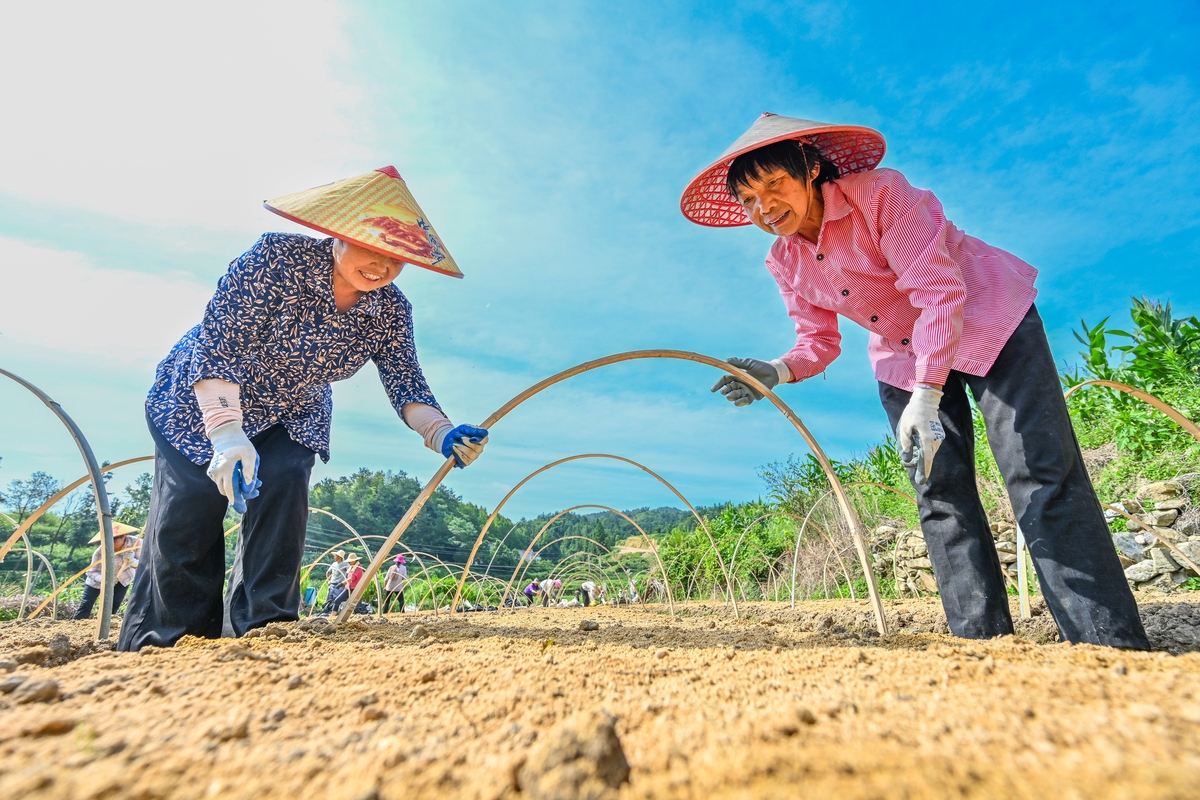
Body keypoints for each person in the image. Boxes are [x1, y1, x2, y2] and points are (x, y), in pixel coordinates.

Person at [684, 113, 1148, 649]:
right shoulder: (784, 259)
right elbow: (818, 339)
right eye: (747, 198)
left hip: (987, 321)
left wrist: (927, 397)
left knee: (1038, 472)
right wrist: (779, 370)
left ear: (810, 169)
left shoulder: (881, 195)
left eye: (773, 184)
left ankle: (1106, 644)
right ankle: (981, 645)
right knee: (937, 491)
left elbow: (938, 293)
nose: (763, 207)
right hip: (901, 355)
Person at [118, 167, 490, 651]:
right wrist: (227, 434)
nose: (381, 267)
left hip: (294, 411)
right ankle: (167, 639)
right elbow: (221, 346)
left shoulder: (392, 310)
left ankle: (266, 628)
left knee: (285, 489)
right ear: (336, 235)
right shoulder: (275, 259)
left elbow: (405, 382)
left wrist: (441, 433)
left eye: (396, 259)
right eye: (370, 249)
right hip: (203, 399)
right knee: (190, 512)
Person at [74, 522, 141, 619]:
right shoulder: (100, 551)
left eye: (116, 543)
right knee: (86, 604)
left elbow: (144, 564)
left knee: (113, 606)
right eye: (110, 544)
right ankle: (77, 625)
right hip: (97, 581)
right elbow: (91, 572)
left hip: (123, 579)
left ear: (124, 536)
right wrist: (105, 580)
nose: (114, 547)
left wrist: (132, 561)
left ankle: (107, 627)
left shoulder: (137, 544)